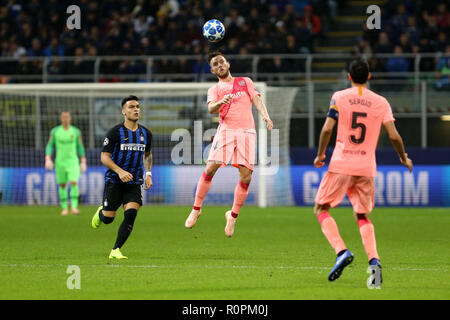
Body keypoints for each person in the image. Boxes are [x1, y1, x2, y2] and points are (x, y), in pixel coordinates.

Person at [313, 58, 413, 287]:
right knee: (362, 215)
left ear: (349, 77)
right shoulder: (381, 102)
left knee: (321, 208)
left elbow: (328, 128)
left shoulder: (339, 97)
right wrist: (403, 157)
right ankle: (374, 263)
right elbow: (394, 136)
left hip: (341, 163)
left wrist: (320, 155)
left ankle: (341, 251)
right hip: (366, 166)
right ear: (369, 76)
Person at [185, 51, 273, 237]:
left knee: (246, 176)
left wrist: (265, 116)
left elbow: (257, 99)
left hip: (247, 132)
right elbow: (210, 109)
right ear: (212, 70)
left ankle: (232, 216)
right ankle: (196, 208)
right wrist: (219, 103)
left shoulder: (245, 81)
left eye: (221, 62)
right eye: (215, 64)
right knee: (209, 169)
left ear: (228, 64)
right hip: (226, 131)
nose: (219, 65)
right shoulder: (214, 89)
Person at [91, 95, 153, 259]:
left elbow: (147, 155)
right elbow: (104, 157)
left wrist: (148, 174)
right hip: (114, 181)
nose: (136, 109)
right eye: (132, 107)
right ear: (123, 111)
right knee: (108, 219)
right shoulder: (114, 132)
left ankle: (115, 250)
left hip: (134, 181)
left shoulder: (146, 133)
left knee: (131, 213)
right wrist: (119, 171)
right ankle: (101, 213)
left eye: (138, 107)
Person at [45, 111, 87, 215]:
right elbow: (50, 145)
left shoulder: (76, 132)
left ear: (70, 118)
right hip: (60, 162)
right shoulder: (55, 131)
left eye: (67, 117)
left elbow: (80, 146)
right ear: (61, 119)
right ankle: (64, 208)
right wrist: (48, 158)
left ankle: (74, 207)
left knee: (74, 183)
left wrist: (83, 161)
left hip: (73, 161)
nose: (65, 119)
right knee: (62, 185)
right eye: (63, 117)